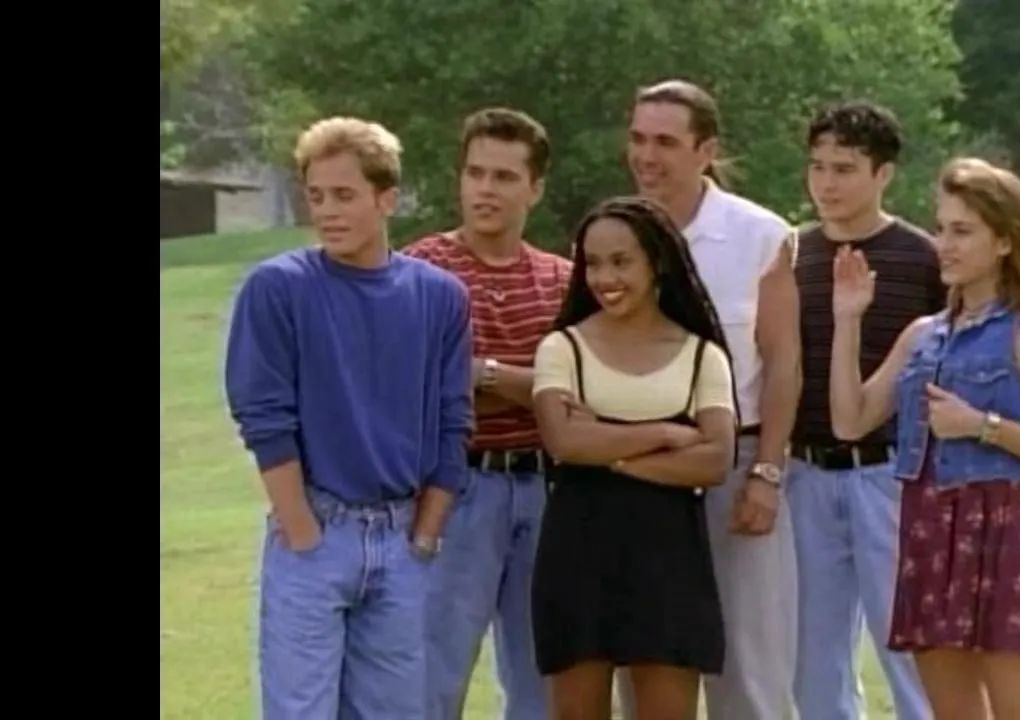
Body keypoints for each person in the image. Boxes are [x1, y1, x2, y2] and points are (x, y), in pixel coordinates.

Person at [224, 117, 471, 720]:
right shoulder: (278, 288)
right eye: (316, 196)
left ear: (387, 199)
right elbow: (263, 414)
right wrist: (300, 528)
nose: (328, 211)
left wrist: (426, 532)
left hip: (402, 534)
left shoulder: (440, 296)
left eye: (344, 195)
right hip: (316, 531)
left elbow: (453, 417)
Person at [828, 157, 1020, 720]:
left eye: (962, 231)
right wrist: (848, 320)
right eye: (941, 228)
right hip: (927, 533)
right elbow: (851, 421)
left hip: (999, 532)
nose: (943, 244)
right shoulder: (923, 335)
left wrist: (981, 425)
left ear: (1005, 241)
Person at [619, 79, 803, 720]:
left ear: (706, 150)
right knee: (646, 661)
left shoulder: (762, 236)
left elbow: (783, 363)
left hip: (735, 464)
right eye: (638, 139)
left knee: (748, 668)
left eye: (665, 142)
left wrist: (767, 473)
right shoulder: (615, 233)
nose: (647, 156)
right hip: (638, 470)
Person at [529, 195, 737, 720]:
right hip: (577, 553)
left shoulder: (702, 356)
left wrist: (608, 450)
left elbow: (715, 460)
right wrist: (666, 433)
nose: (604, 278)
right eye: (593, 263)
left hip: (669, 557)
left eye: (621, 262)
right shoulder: (562, 348)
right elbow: (563, 442)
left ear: (657, 262)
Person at [401, 107, 568, 720]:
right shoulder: (418, 271)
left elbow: (575, 392)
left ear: (534, 188)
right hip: (456, 486)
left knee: (541, 678)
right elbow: (414, 384)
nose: (485, 190)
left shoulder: (561, 280)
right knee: (433, 672)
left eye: (503, 177)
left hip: (547, 488)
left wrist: (483, 373)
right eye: (475, 174)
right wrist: (531, 382)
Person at [788, 101, 940, 720]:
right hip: (804, 472)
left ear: (883, 174)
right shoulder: (790, 255)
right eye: (817, 167)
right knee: (812, 656)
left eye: (844, 169)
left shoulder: (924, 258)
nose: (826, 183)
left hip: (892, 473)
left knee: (909, 647)